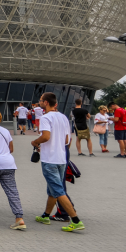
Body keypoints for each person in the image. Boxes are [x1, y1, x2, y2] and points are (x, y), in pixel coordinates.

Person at [32, 92, 85, 232]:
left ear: (46, 102)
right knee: (52, 190)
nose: (39, 102)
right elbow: (68, 139)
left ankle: (75, 220)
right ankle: (46, 215)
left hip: (49, 159)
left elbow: (46, 136)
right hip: (62, 158)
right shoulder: (63, 117)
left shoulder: (45, 118)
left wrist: (35, 142)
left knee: (58, 190)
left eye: (41, 100)